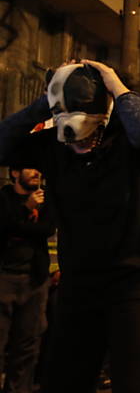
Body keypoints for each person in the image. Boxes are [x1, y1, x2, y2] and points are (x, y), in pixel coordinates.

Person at [0, 60, 140, 393]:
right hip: (80, 283)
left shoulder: (129, 139)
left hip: (138, 282)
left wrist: (114, 84)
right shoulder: (53, 145)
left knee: (137, 384)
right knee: (64, 381)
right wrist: (50, 99)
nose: (77, 142)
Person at [0, 164, 54, 393]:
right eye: (30, 168)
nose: (36, 173)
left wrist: (18, 225)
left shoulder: (45, 200)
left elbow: (47, 228)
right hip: (4, 277)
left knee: (28, 345)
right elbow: (4, 226)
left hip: (35, 280)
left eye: (38, 169)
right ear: (15, 173)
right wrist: (26, 209)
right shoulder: (4, 198)